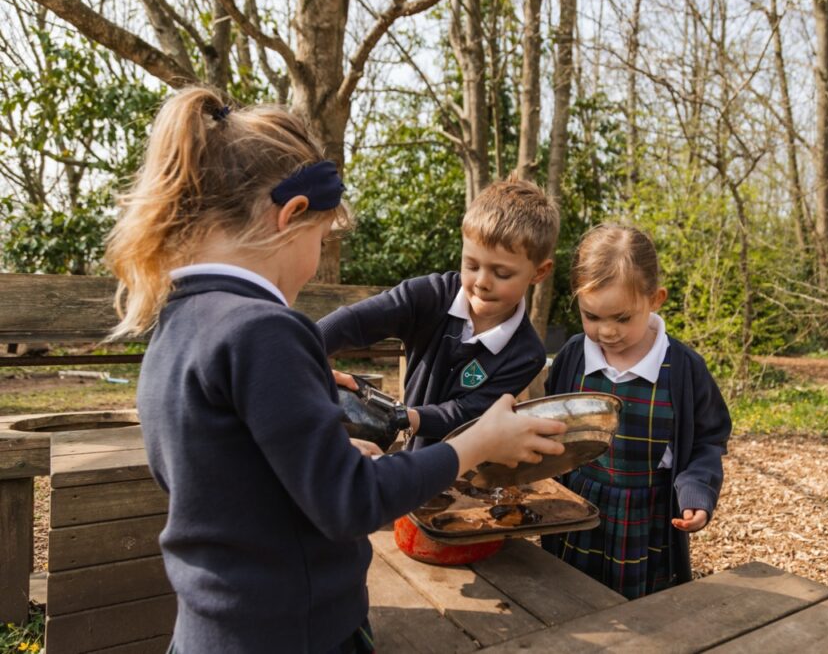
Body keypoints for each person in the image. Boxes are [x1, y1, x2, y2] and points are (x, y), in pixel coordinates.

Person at [104, 87, 566, 653]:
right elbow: (349, 503)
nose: (317, 259)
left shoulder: (178, 318)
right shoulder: (265, 330)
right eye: (322, 240)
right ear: (293, 216)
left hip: (214, 628)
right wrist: (479, 442)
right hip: (296, 634)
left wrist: (330, 446)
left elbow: (232, 478)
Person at [541, 223, 731, 599]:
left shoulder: (683, 368)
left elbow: (708, 441)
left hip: (644, 522)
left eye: (622, 318)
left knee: (641, 613)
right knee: (568, 601)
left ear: (655, 298)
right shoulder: (572, 358)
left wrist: (696, 494)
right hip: (576, 512)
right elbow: (550, 422)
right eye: (591, 316)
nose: (607, 331)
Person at [318, 176, 559, 449]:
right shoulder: (430, 295)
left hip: (470, 469)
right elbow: (355, 321)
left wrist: (400, 416)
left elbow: (467, 413)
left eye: (501, 273)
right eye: (471, 265)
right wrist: (304, 348)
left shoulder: (526, 353)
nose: (482, 282)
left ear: (538, 272)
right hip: (411, 457)